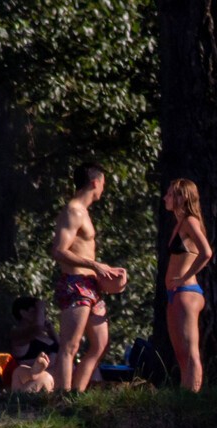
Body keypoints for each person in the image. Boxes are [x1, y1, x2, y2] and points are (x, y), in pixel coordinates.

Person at [50, 163, 129, 392]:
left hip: (91, 285)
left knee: (101, 344)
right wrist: (95, 265)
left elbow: (83, 249)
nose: (103, 189)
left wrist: (106, 272)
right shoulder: (73, 211)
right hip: (76, 284)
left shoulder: (84, 212)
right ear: (95, 182)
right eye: (103, 184)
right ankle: (63, 398)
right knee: (70, 345)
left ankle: (77, 393)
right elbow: (58, 250)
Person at [155, 177, 215, 391]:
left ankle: (193, 397)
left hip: (186, 291)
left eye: (170, 194)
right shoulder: (178, 223)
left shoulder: (190, 221)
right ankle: (185, 391)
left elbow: (206, 252)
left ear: (182, 197)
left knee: (190, 351)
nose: (165, 198)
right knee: (180, 352)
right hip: (175, 292)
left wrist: (184, 276)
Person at [7, 295, 58, 376]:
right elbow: (37, 329)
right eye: (35, 311)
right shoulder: (17, 334)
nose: (41, 315)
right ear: (23, 313)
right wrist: (40, 308)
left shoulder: (44, 335)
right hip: (37, 384)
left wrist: (52, 332)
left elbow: (63, 349)